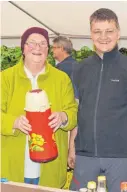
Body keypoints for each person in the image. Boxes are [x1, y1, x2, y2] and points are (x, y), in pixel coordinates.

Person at [69, 8, 127, 192]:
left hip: (120, 157)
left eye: (109, 31)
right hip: (85, 155)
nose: (103, 36)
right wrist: (71, 148)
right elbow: (77, 111)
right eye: (97, 31)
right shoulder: (79, 69)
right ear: (91, 34)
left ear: (118, 33)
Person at [1, 27, 77, 188]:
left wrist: (64, 117)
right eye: (32, 43)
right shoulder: (5, 78)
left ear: (48, 50)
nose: (37, 48)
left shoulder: (61, 79)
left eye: (43, 44)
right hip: (13, 165)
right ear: (23, 48)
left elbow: (73, 112)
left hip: (51, 166)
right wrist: (13, 122)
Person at [52, 36, 79, 169]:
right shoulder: (80, 66)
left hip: (64, 117)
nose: (52, 51)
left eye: (54, 47)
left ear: (62, 48)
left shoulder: (59, 71)